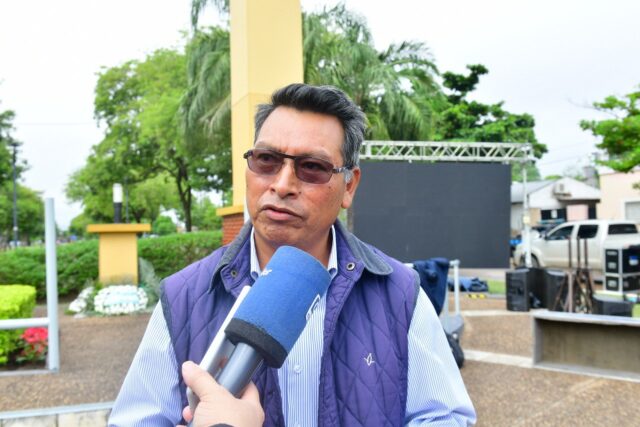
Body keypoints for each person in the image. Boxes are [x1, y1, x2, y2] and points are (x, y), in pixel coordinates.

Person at [109, 83, 476, 426]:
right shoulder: (184, 296)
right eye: (267, 159)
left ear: (349, 185)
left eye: (312, 167)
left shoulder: (399, 293)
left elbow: (445, 417)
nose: (282, 184)